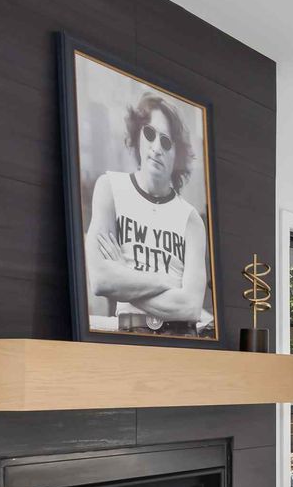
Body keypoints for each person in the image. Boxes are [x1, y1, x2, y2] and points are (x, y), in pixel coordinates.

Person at [84, 92, 214, 336]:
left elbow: (190, 307)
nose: (156, 148)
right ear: (138, 136)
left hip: (182, 339)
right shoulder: (109, 188)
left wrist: (125, 277)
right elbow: (101, 280)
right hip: (129, 337)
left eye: (166, 142)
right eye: (150, 134)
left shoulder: (191, 220)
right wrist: (167, 282)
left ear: (177, 154)